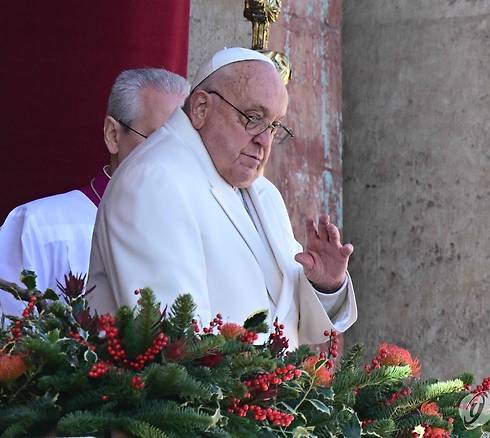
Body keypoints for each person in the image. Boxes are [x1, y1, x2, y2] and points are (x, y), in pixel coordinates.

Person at [88, 48, 357, 348]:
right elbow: (174, 344)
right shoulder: (154, 180)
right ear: (201, 108)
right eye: (252, 118)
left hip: (268, 392)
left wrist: (325, 284)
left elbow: (292, 323)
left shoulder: (263, 193)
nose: (264, 140)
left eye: (274, 125)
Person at [0, 68, 189, 316]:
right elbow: (12, 343)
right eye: (158, 140)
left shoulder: (194, 231)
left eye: (186, 144)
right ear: (113, 135)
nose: (176, 158)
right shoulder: (39, 228)